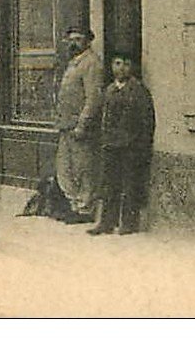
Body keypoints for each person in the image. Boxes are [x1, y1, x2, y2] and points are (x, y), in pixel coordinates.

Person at [91, 54, 156, 236]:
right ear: (112, 66)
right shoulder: (110, 90)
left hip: (131, 146)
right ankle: (106, 223)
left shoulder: (139, 91)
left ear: (132, 67)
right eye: (117, 63)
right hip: (111, 145)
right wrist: (104, 139)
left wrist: (141, 146)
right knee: (109, 184)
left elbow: (147, 122)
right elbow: (103, 117)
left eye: (126, 64)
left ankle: (129, 223)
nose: (121, 68)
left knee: (130, 184)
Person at [54, 26, 103, 224]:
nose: (73, 43)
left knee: (84, 168)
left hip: (80, 127)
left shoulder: (91, 63)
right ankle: (74, 206)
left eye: (78, 39)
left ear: (88, 41)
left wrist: (83, 124)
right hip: (66, 125)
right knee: (66, 168)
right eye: (71, 39)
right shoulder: (74, 63)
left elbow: (93, 98)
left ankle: (85, 208)